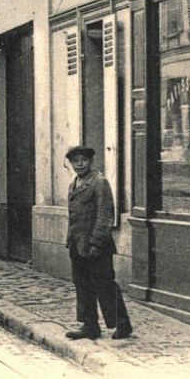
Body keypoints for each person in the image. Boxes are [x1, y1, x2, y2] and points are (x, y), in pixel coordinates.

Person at [64, 145, 132, 340]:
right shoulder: (74, 184)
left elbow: (105, 214)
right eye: (75, 160)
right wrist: (71, 241)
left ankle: (122, 324)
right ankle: (90, 326)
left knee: (104, 284)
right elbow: (74, 216)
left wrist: (96, 243)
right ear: (70, 163)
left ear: (90, 161)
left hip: (97, 246)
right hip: (78, 244)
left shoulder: (99, 182)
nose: (79, 164)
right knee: (82, 284)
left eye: (83, 160)